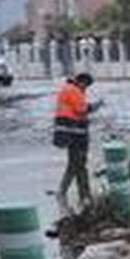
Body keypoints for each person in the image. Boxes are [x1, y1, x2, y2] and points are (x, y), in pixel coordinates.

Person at [52, 72, 101, 210]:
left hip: (72, 134)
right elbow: (81, 109)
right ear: (81, 81)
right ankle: (63, 191)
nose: (86, 89)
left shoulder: (69, 89)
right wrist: (95, 106)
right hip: (75, 134)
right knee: (76, 164)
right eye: (86, 85)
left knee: (80, 164)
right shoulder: (73, 90)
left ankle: (84, 194)